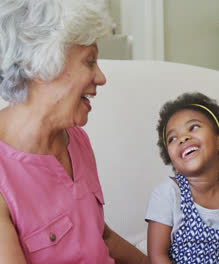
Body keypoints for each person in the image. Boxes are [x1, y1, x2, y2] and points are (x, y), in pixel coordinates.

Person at [0, 0, 148, 263]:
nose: (101, 77)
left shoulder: (75, 138)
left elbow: (102, 237)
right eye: (89, 61)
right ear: (40, 67)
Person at [146, 92, 219, 264]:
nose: (183, 138)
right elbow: (157, 257)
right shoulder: (168, 194)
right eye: (172, 138)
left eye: (193, 127)